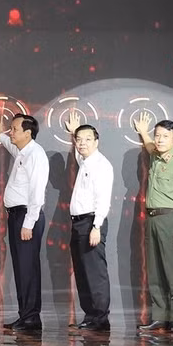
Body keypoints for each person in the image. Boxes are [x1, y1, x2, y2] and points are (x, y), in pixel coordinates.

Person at [0, 112, 49, 331]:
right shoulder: (23, 152)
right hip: (17, 215)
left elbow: (37, 193)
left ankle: (32, 317)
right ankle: (25, 315)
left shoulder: (36, 155)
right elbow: (10, 146)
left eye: (14, 129)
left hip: (26, 217)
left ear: (27, 132)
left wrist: (28, 223)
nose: (10, 132)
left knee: (28, 268)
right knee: (21, 268)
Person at [63, 111, 113, 332]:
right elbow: (77, 154)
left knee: (95, 272)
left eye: (87, 140)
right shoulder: (84, 161)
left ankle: (101, 318)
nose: (82, 144)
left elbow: (104, 198)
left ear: (97, 141)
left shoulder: (102, 165)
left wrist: (96, 226)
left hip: (92, 222)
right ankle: (90, 316)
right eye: (78, 139)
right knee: (82, 272)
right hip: (78, 223)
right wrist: (73, 132)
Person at [133, 112, 173, 332]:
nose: (159, 139)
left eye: (165, 136)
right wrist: (143, 131)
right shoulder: (155, 156)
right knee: (155, 270)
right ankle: (160, 316)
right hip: (151, 219)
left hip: (171, 219)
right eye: (157, 135)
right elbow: (150, 145)